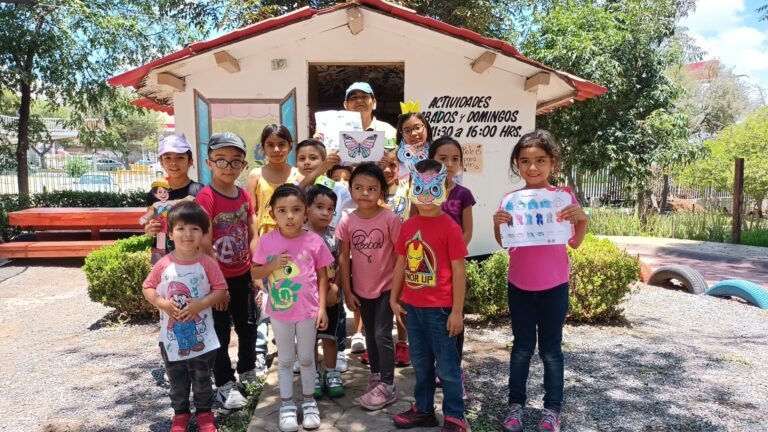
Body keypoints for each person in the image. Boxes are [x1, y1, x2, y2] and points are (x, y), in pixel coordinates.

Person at [492, 130, 588, 432]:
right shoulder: (511, 199)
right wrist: (498, 224)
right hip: (519, 285)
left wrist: (582, 219)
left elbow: (575, 243)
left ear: (553, 162)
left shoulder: (563, 198)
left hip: (555, 286)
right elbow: (505, 242)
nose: (532, 167)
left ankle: (552, 411)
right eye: (525, 161)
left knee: (550, 350)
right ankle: (515, 406)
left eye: (540, 160)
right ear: (516, 164)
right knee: (521, 348)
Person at [390, 159, 470, 432]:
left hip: (442, 311)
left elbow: (459, 271)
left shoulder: (450, 227)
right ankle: (423, 410)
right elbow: (401, 263)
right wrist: (394, 297)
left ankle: (455, 416)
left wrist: (457, 311)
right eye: (419, 188)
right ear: (411, 188)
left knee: (447, 368)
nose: (425, 196)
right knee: (421, 365)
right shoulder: (408, 226)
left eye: (433, 188)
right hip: (414, 309)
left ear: (444, 188)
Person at [252, 184, 334, 432]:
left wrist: (322, 309)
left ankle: (309, 402)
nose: (290, 216)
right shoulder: (267, 241)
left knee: (307, 358)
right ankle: (287, 405)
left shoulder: (313, 240)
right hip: (280, 312)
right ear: (272, 214)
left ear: (305, 213)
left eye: (296, 210)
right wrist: (272, 265)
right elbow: (255, 272)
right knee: (286, 360)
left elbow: (322, 276)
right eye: (283, 210)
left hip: (308, 312)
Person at [142, 201, 228, 432]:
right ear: (170, 233)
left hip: (203, 337)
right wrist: (163, 304)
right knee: (177, 380)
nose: (187, 234)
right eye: (180, 229)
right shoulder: (163, 264)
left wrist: (200, 305)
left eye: (194, 229)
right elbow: (148, 287)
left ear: (203, 233)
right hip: (171, 339)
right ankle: (180, 414)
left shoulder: (207, 263)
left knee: (202, 379)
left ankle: (204, 414)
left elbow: (221, 289)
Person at [195, 132, 259, 411]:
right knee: (220, 332)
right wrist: (218, 285)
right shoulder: (206, 197)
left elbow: (253, 232)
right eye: (221, 160)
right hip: (216, 281)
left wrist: (256, 272)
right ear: (209, 162)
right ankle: (224, 383)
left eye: (235, 161)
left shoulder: (244, 194)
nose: (228, 167)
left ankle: (247, 372)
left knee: (248, 327)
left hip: (243, 274)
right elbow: (205, 244)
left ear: (243, 165)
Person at [335, 162, 400, 410]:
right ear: (350, 189)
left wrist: (398, 290)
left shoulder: (390, 219)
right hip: (361, 289)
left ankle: (388, 384)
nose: (364, 193)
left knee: (383, 334)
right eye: (358, 187)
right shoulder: (347, 222)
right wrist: (347, 291)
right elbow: (343, 257)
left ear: (381, 191)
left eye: (371, 188)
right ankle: (376, 376)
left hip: (386, 288)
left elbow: (401, 254)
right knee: (371, 334)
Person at [246, 124, 301, 376]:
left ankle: (289, 346)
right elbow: (252, 214)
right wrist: (254, 242)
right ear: (263, 147)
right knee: (264, 298)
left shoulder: (297, 174)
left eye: (282, 144)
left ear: (290, 146)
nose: (277, 149)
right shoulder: (256, 174)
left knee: (290, 293)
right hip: (265, 244)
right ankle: (259, 351)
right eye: (270, 144)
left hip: (291, 244)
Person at [429, 136, 476, 393]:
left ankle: (454, 371)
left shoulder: (463, 194)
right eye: (442, 158)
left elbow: (467, 231)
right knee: (430, 319)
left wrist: (453, 256)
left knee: (454, 318)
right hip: (427, 268)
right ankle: (434, 368)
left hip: (454, 267)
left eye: (455, 159)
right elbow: (416, 226)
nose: (449, 163)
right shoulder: (421, 191)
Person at [304, 184, 346, 396]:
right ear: (306, 208)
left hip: (330, 296)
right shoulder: (298, 235)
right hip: (306, 298)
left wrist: (336, 286)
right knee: (309, 339)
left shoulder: (334, 236)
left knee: (330, 337)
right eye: (319, 206)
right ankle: (312, 374)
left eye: (330, 209)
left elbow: (340, 264)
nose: (325, 213)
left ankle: (331, 372)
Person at [144, 135, 204, 262]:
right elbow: (149, 223)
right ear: (161, 162)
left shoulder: (199, 191)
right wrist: (150, 229)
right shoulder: (155, 193)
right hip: (161, 255)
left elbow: (204, 226)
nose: (173, 163)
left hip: (192, 254)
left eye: (180, 157)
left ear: (190, 161)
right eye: (167, 158)